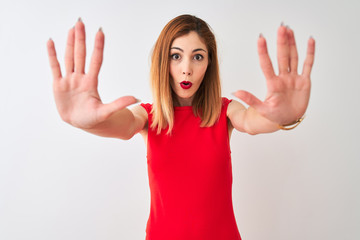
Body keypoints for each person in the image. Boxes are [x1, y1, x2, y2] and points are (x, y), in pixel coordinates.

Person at [47, 15, 315, 240]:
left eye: (198, 57)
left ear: (209, 64)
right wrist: (81, 120)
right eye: (176, 56)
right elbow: (122, 126)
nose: (186, 69)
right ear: (164, 61)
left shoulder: (225, 112)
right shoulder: (147, 116)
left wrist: (287, 116)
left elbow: (252, 122)